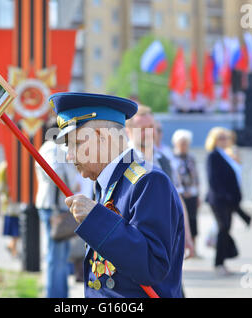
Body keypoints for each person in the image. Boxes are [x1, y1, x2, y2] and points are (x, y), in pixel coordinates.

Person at [50, 92, 185, 298]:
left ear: (102, 138)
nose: (69, 156)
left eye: (76, 144)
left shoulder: (148, 181)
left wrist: (97, 219)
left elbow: (152, 266)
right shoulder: (107, 183)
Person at [125, 105, 195, 260]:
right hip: (132, 244)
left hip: (164, 242)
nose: (148, 133)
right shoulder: (121, 162)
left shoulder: (164, 161)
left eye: (151, 127)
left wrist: (187, 237)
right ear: (128, 132)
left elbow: (177, 199)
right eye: (141, 128)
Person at [35, 117, 80, 298]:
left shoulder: (54, 148)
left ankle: (61, 294)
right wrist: (70, 185)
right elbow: (54, 172)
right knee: (56, 256)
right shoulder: (51, 148)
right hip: (53, 207)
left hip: (57, 206)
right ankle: (55, 295)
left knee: (61, 256)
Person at [205, 127, 241, 275]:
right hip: (219, 200)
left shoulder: (227, 155)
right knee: (222, 229)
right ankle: (218, 263)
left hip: (228, 200)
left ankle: (222, 261)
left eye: (226, 137)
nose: (224, 140)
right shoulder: (213, 155)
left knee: (225, 229)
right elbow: (213, 180)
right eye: (220, 137)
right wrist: (225, 196)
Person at [171, 129, 201, 254]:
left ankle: (194, 248)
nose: (184, 146)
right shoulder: (171, 157)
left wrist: (198, 193)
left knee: (193, 220)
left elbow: (196, 176)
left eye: (186, 143)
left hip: (192, 193)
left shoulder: (191, 158)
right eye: (181, 143)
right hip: (180, 194)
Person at [0, 161, 20, 257]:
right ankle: (13, 248)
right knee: (16, 230)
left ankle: (12, 248)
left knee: (18, 230)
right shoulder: (4, 167)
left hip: (17, 204)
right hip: (10, 204)